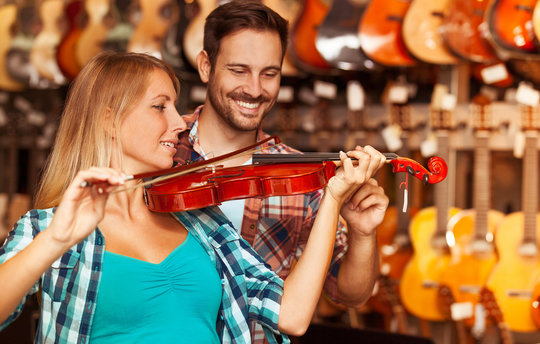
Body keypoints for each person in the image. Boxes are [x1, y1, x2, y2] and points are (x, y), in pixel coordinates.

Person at [0, 52, 387, 343]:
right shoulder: (46, 228)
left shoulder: (201, 222)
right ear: (107, 119)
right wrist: (55, 241)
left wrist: (333, 197)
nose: (177, 123)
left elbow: (292, 315)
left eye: (174, 106)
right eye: (159, 106)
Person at [175, 0, 389, 342]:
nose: (255, 89)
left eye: (269, 73)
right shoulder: (162, 151)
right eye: (238, 70)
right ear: (205, 66)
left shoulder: (301, 175)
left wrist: (364, 234)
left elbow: (349, 294)